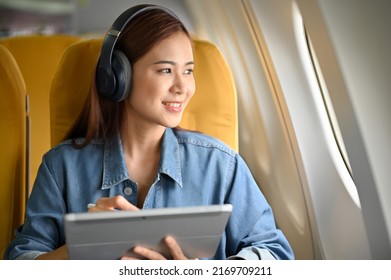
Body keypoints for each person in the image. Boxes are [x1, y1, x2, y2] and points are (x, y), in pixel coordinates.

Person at [4, 4, 294, 260]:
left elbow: (275, 253)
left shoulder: (221, 166)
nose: (183, 87)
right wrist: (79, 250)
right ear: (118, 77)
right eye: (166, 70)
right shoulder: (61, 167)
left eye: (189, 71)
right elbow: (20, 262)